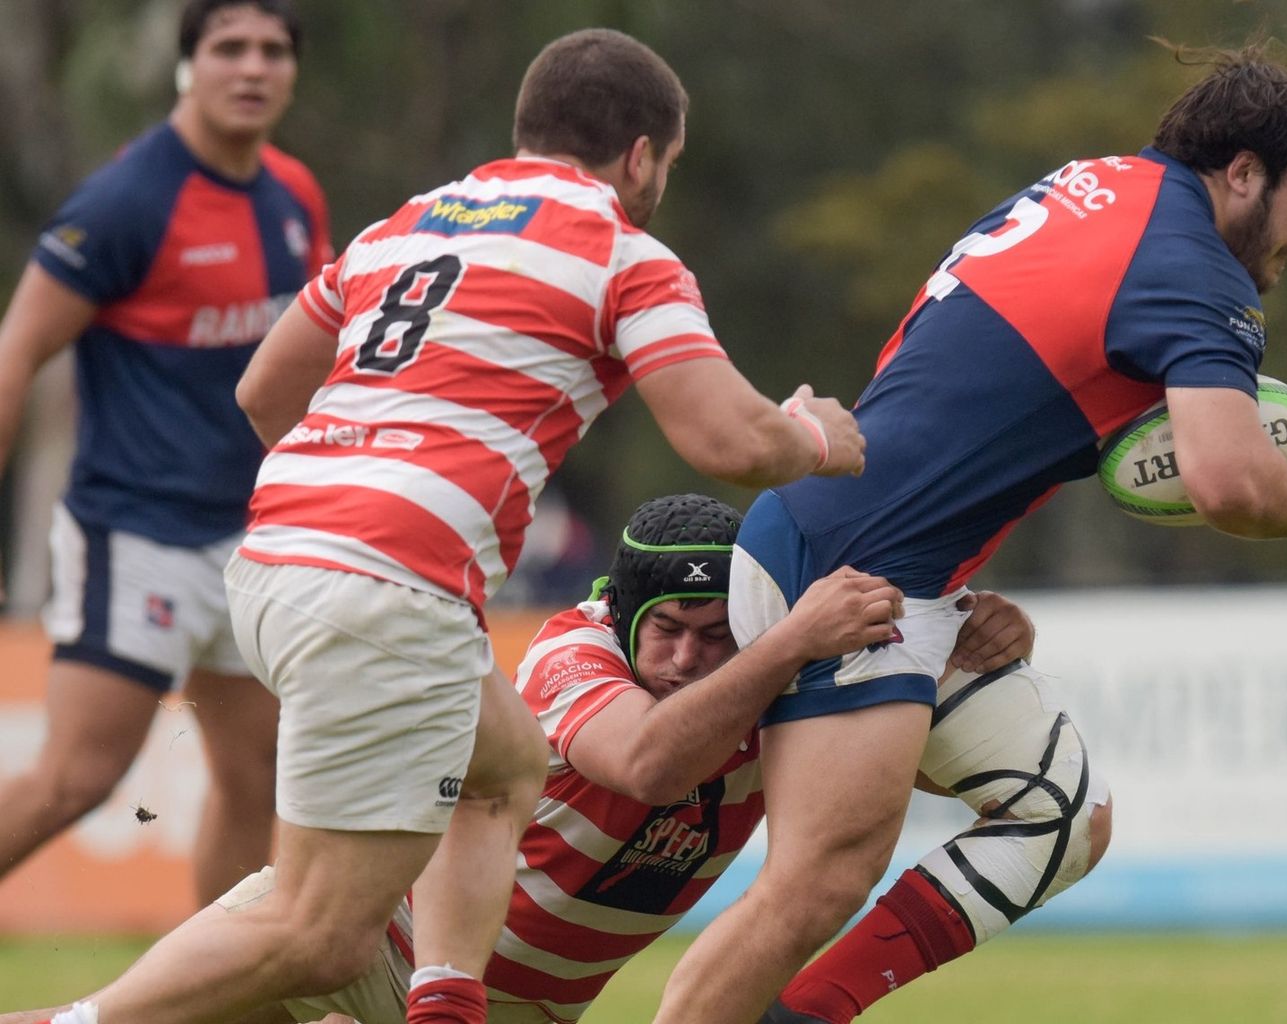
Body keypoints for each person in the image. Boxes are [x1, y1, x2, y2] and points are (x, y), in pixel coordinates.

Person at [31, 29, 866, 1024]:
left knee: (505, 763)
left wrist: (358, 480)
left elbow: (261, 391)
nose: (659, 186)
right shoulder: (623, 252)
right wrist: (818, 435)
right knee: (319, 932)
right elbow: (730, 440)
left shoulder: (405, 225)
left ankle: (444, 1004)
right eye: (667, 167)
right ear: (641, 154)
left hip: (271, 556)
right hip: (387, 581)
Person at [650, 45, 1287, 1024]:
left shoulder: (1104, 185)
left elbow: (1002, 391)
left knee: (1067, 814)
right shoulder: (1194, 267)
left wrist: (956, 584)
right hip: (853, 572)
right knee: (816, 882)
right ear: (1242, 171)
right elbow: (1232, 484)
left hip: (882, 555)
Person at [0, 493, 1042, 1024]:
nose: (687, 658)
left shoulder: (785, 685)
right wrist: (780, 646)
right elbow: (643, 764)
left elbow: (928, 769)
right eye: (667, 629)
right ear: (623, 612)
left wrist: (972, 652)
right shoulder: (573, 648)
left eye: (714, 632)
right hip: (380, 935)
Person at [0, 0, 329, 907]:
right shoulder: (128, 201)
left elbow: (311, 356)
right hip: (135, 530)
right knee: (79, 776)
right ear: (191, 65)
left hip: (251, 540)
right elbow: (17, 348)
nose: (253, 67)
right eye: (230, 48)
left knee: (257, 776)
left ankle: (215, 999)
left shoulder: (294, 195)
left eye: (273, 49)